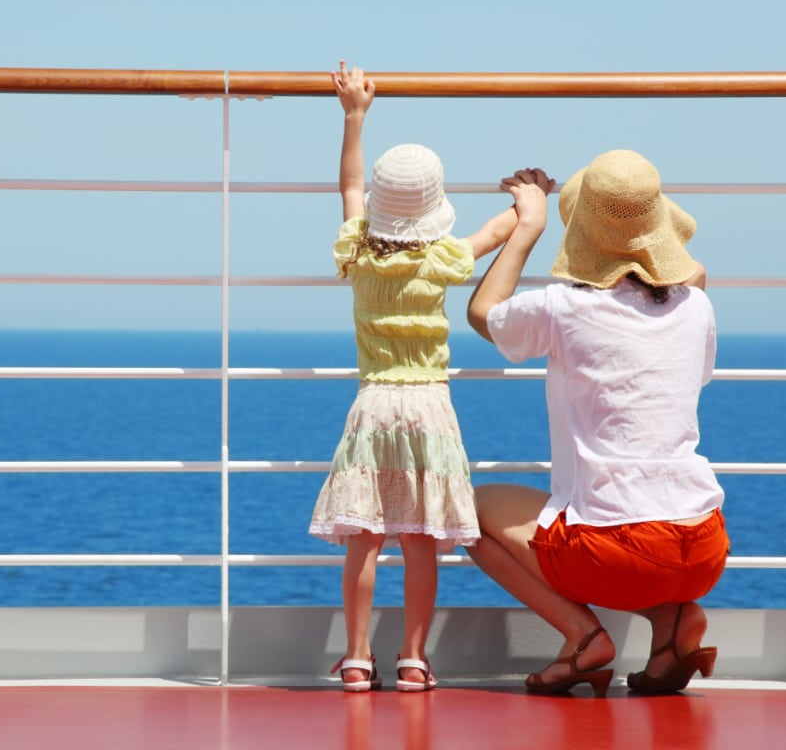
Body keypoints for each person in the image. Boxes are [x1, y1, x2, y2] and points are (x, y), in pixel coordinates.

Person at [465, 149, 729, 697]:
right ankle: (671, 624)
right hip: (701, 546)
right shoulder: (696, 306)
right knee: (644, 538)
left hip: (608, 553)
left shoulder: (562, 307)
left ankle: (584, 638)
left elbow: (483, 313)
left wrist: (528, 224)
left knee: (466, 511)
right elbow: (691, 277)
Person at [309, 61, 530, 693]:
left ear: (381, 206)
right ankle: (412, 657)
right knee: (422, 540)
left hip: (373, 403)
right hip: (429, 406)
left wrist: (354, 115)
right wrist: (529, 198)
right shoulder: (442, 258)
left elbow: (350, 184)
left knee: (365, 539)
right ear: (434, 209)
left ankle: (355, 658)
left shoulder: (356, 249)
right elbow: (498, 228)